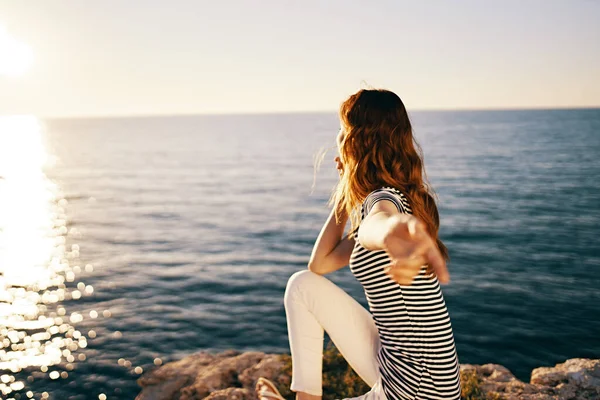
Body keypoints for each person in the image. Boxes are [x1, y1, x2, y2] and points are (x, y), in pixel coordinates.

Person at [256, 89, 461, 400]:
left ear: (355, 140)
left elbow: (379, 223)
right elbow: (319, 264)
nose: (336, 137)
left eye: (341, 129)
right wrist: (346, 188)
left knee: (300, 285)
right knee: (302, 284)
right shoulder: (379, 198)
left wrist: (394, 232)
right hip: (402, 370)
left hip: (416, 393)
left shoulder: (384, 202)